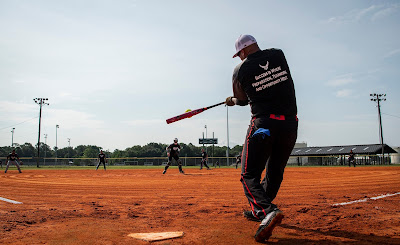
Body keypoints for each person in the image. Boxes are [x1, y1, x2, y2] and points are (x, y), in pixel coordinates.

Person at [226, 34, 298, 242]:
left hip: (264, 126)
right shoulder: (278, 55)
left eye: (239, 54)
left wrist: (231, 100)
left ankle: (267, 211)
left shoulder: (239, 70)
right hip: (289, 124)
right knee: (275, 172)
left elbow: (242, 99)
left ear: (243, 50)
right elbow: (269, 86)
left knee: (248, 175)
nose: (239, 58)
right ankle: (261, 210)